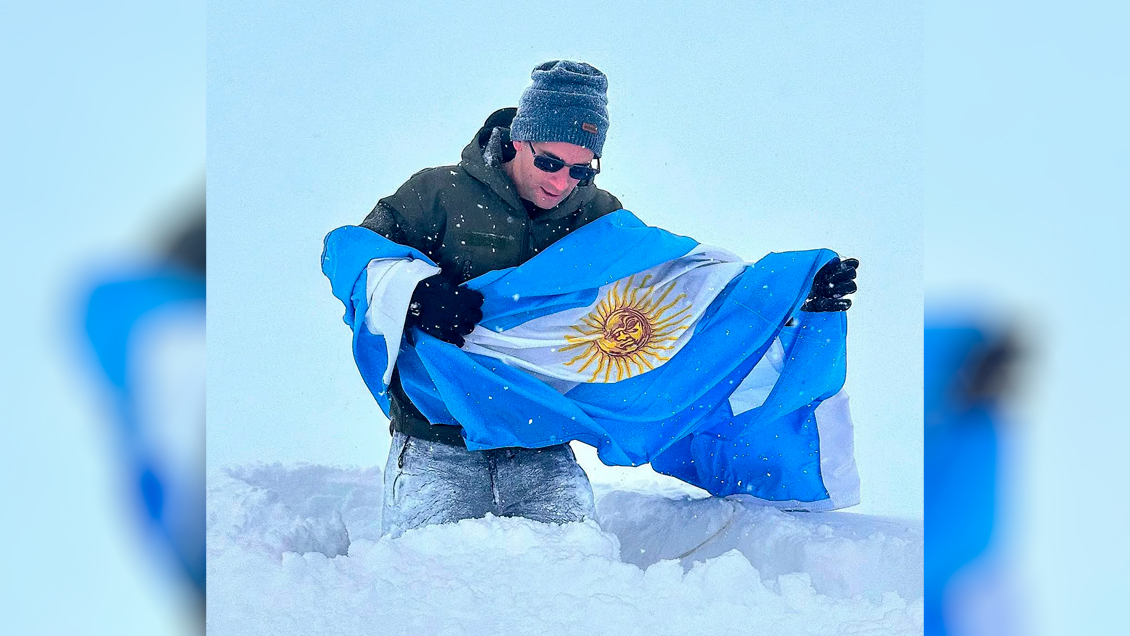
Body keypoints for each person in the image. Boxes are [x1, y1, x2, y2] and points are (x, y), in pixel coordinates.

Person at [361, 60, 859, 537]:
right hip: (436, 438)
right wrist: (415, 292)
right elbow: (356, 256)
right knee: (430, 569)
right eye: (550, 162)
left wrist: (793, 294)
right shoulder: (439, 193)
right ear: (519, 139)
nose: (562, 182)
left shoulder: (597, 214)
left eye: (581, 169)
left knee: (570, 570)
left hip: (543, 442)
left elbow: (681, 290)